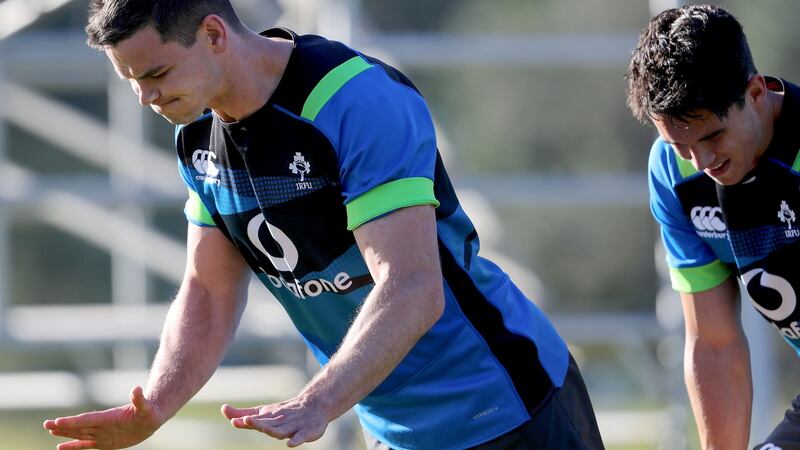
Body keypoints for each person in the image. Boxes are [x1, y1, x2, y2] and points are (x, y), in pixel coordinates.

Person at [43, 1, 604, 449]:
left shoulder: (356, 100)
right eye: (131, 80)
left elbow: (412, 288)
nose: (145, 97)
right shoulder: (196, 135)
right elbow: (208, 290)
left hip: (504, 403)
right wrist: (157, 406)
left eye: (157, 73)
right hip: (390, 427)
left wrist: (317, 402)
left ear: (213, 34)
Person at [627, 4, 800, 450]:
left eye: (712, 136)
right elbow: (715, 344)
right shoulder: (674, 174)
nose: (701, 162)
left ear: (756, 93)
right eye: (680, 145)